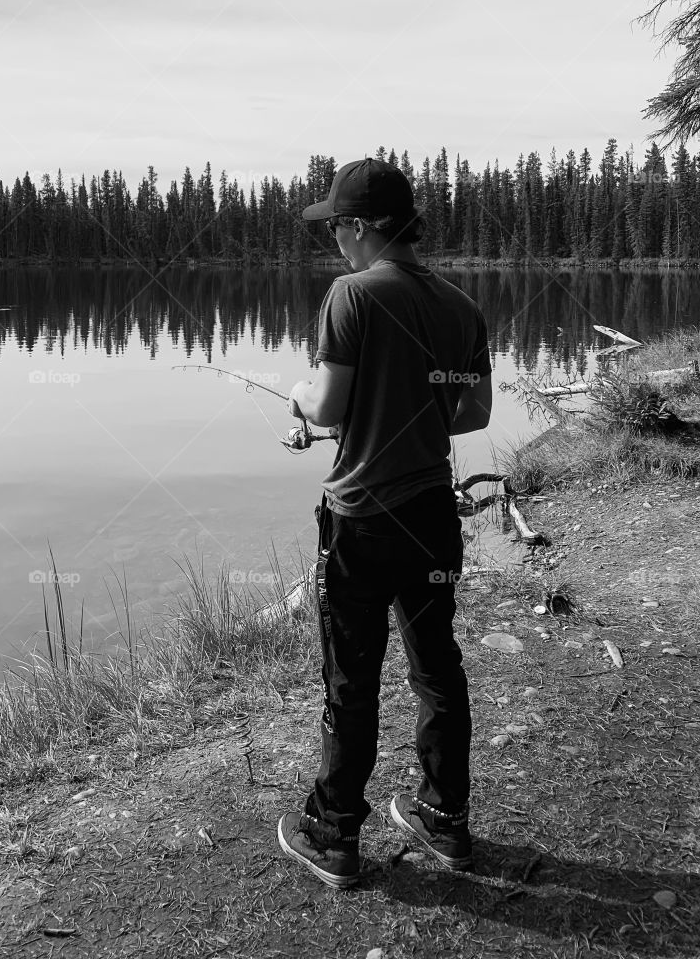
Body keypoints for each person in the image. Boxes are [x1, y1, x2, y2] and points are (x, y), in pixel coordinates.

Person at [276, 157, 492, 889]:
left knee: (351, 681)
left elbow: (328, 405)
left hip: (362, 523)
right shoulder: (460, 306)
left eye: (336, 225)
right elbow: (473, 412)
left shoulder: (351, 296)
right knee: (437, 666)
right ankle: (446, 820)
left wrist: (298, 396)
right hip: (432, 516)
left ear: (364, 227)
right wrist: (399, 414)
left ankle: (334, 835)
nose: (333, 239)